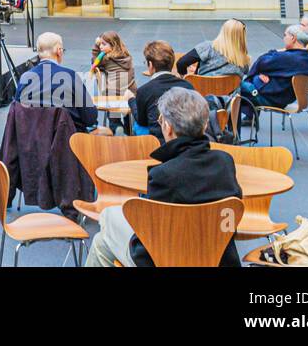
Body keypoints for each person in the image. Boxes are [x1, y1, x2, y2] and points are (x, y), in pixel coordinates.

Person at [85, 88, 242, 267]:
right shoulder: (225, 163)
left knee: (105, 224)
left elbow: (148, 241)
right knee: (102, 239)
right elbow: (230, 224)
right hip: (218, 257)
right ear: (205, 125)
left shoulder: (163, 175)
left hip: (166, 259)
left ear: (167, 127)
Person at [15, 32, 98, 133]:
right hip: (67, 141)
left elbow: (17, 113)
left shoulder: (25, 78)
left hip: (32, 141)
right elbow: (90, 118)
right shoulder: (70, 76)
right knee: (105, 132)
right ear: (59, 51)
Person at [237, 24, 308, 128]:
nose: (284, 38)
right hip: (285, 97)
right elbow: (278, 69)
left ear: (293, 38)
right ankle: (249, 116)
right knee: (252, 80)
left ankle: (231, 129)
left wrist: (276, 51)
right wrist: (265, 72)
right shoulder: (307, 59)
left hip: (272, 99)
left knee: (234, 86)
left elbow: (261, 62)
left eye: (285, 35)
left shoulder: (287, 57)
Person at [129, 41, 193, 140]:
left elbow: (142, 121)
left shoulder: (144, 90)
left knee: (138, 125)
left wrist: (131, 100)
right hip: (186, 139)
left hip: (157, 141)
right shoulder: (188, 86)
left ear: (150, 65)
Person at [177, 19, 250, 79]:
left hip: (203, 93)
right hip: (230, 95)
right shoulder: (244, 59)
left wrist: (184, 77)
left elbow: (181, 63)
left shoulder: (208, 47)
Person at [89, 31, 136, 97]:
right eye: (100, 44)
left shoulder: (106, 58)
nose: (100, 46)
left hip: (113, 96)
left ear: (113, 45)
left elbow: (94, 61)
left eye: (104, 44)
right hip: (131, 94)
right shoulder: (126, 55)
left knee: (100, 72)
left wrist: (96, 46)